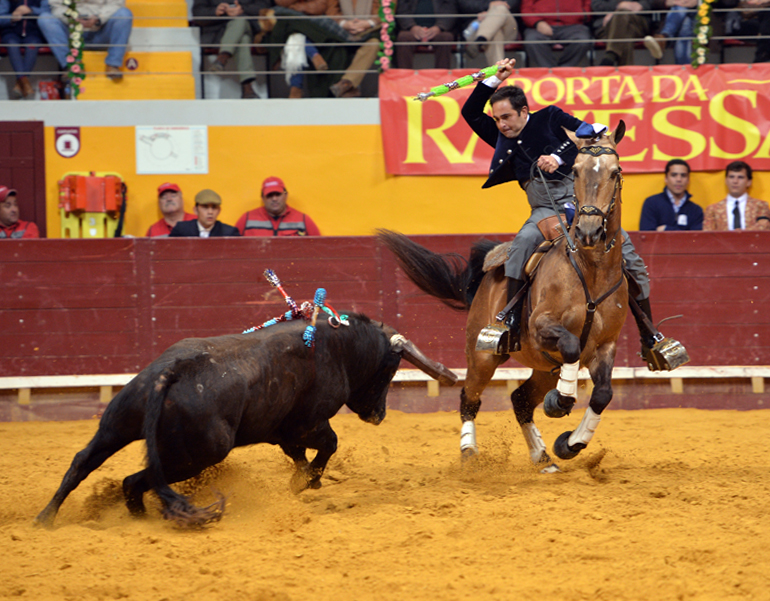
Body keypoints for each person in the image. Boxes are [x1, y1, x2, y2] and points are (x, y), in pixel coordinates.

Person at [461, 57, 685, 369]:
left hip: (580, 203)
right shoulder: (500, 135)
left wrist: (556, 156)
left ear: (524, 111)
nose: (502, 124)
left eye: (507, 117)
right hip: (542, 210)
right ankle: (509, 323)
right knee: (520, 246)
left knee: (631, 259)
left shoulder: (550, 117)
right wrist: (493, 81)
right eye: (497, 119)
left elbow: (586, 132)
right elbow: (470, 113)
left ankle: (650, 335)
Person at [38, 0, 133, 81]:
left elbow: (116, 4)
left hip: (100, 31)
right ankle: (72, 65)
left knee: (124, 14)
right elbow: (56, 6)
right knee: (45, 19)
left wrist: (99, 18)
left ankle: (113, 65)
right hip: (72, 33)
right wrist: (71, 18)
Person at [193, 0, 266, 99]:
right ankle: (247, 89)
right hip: (218, 32)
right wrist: (215, 11)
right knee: (243, 39)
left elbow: (264, 5)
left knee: (240, 20)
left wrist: (243, 9)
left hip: (248, 26)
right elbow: (198, 13)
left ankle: (223, 57)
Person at [235, 176, 321, 236]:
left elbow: (319, 249)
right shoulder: (246, 219)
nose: (274, 199)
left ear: (286, 195)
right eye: (270, 195)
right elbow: (232, 249)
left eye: (278, 194)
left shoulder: (303, 220)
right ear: (262, 198)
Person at [521, 0, 593, 68]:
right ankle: (550, 71)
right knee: (532, 40)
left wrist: (583, 14)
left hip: (573, 25)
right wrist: (537, 23)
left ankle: (563, 70)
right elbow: (526, 8)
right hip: (540, 25)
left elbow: (588, 4)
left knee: (582, 40)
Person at [445, 0, 519, 64]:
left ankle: (480, 41)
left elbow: (513, 3)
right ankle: (499, 72)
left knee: (501, 8)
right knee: (495, 34)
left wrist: (490, 12)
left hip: (507, 27)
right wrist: (489, 5)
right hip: (476, 25)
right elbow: (465, 5)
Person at [0, 0, 48, 99]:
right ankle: (25, 83)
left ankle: (20, 84)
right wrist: (11, 18)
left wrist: (31, 10)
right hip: (11, 32)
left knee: (32, 45)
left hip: (33, 33)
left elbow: (48, 11)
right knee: (12, 44)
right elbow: (1, 17)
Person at [703, 161, 770, 231]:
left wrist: (739, 234)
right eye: (731, 177)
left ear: (749, 182)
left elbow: (764, 228)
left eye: (740, 177)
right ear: (726, 180)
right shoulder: (713, 209)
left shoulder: (760, 206)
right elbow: (708, 234)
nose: (735, 181)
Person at [639, 159, 703, 231]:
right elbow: (646, 235)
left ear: (688, 180)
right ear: (666, 178)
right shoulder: (651, 203)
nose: (679, 179)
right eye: (674, 175)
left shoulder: (696, 210)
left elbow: (696, 237)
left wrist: (666, 229)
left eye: (683, 175)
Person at [591, 0, 659, 66]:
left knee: (622, 16)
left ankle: (611, 55)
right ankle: (625, 70)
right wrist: (618, 6)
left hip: (637, 21)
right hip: (605, 26)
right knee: (627, 29)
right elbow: (596, 5)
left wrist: (641, 5)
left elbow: (654, 2)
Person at [395, 0, 454, 70]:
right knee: (403, 37)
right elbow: (402, 10)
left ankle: (442, 74)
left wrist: (439, 27)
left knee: (446, 37)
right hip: (412, 29)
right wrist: (412, 27)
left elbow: (450, 9)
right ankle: (405, 75)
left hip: (438, 29)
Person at [169, 189, 240, 237]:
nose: (210, 212)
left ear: (219, 211)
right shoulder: (181, 230)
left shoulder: (229, 233)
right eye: (205, 207)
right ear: (196, 210)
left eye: (214, 208)